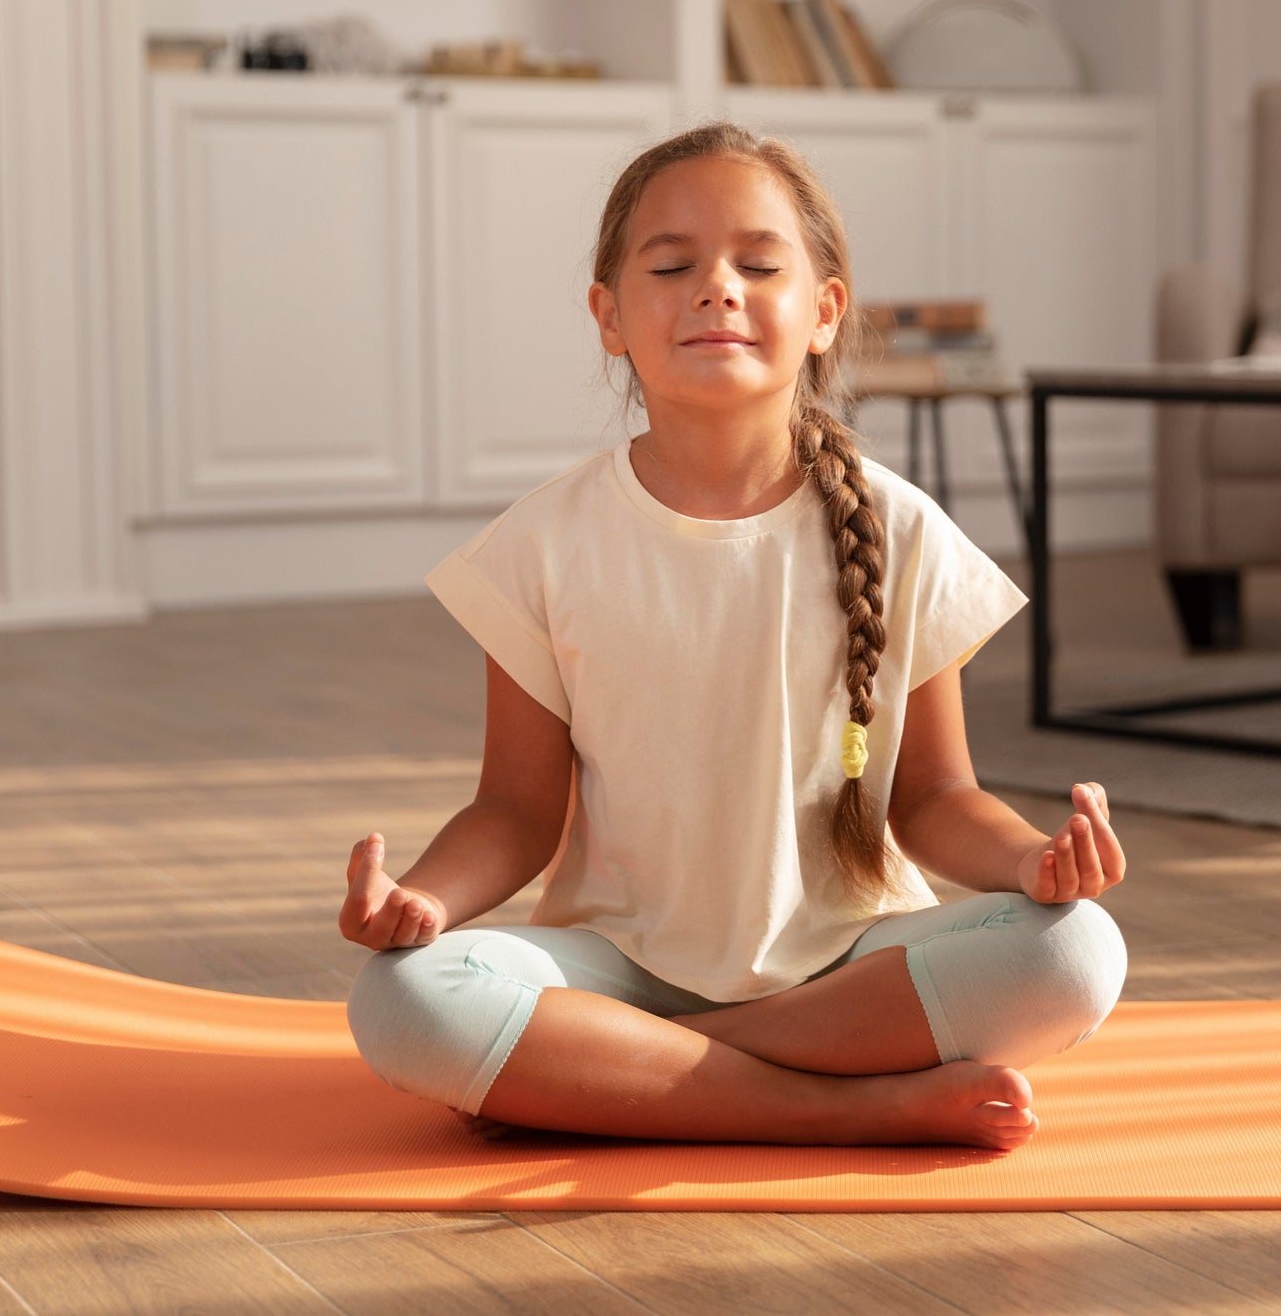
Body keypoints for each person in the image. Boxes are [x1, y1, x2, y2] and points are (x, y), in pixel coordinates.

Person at [340, 122, 1127, 1152]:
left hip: (850, 962)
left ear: (822, 313)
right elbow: (516, 808)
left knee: (1074, 953)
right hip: (616, 963)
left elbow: (931, 798)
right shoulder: (540, 542)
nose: (716, 286)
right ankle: (846, 1103)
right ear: (608, 317)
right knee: (403, 998)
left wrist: (1032, 863)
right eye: (671, 265)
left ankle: (634, 1065)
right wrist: (422, 901)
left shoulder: (899, 529)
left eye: (758, 264)